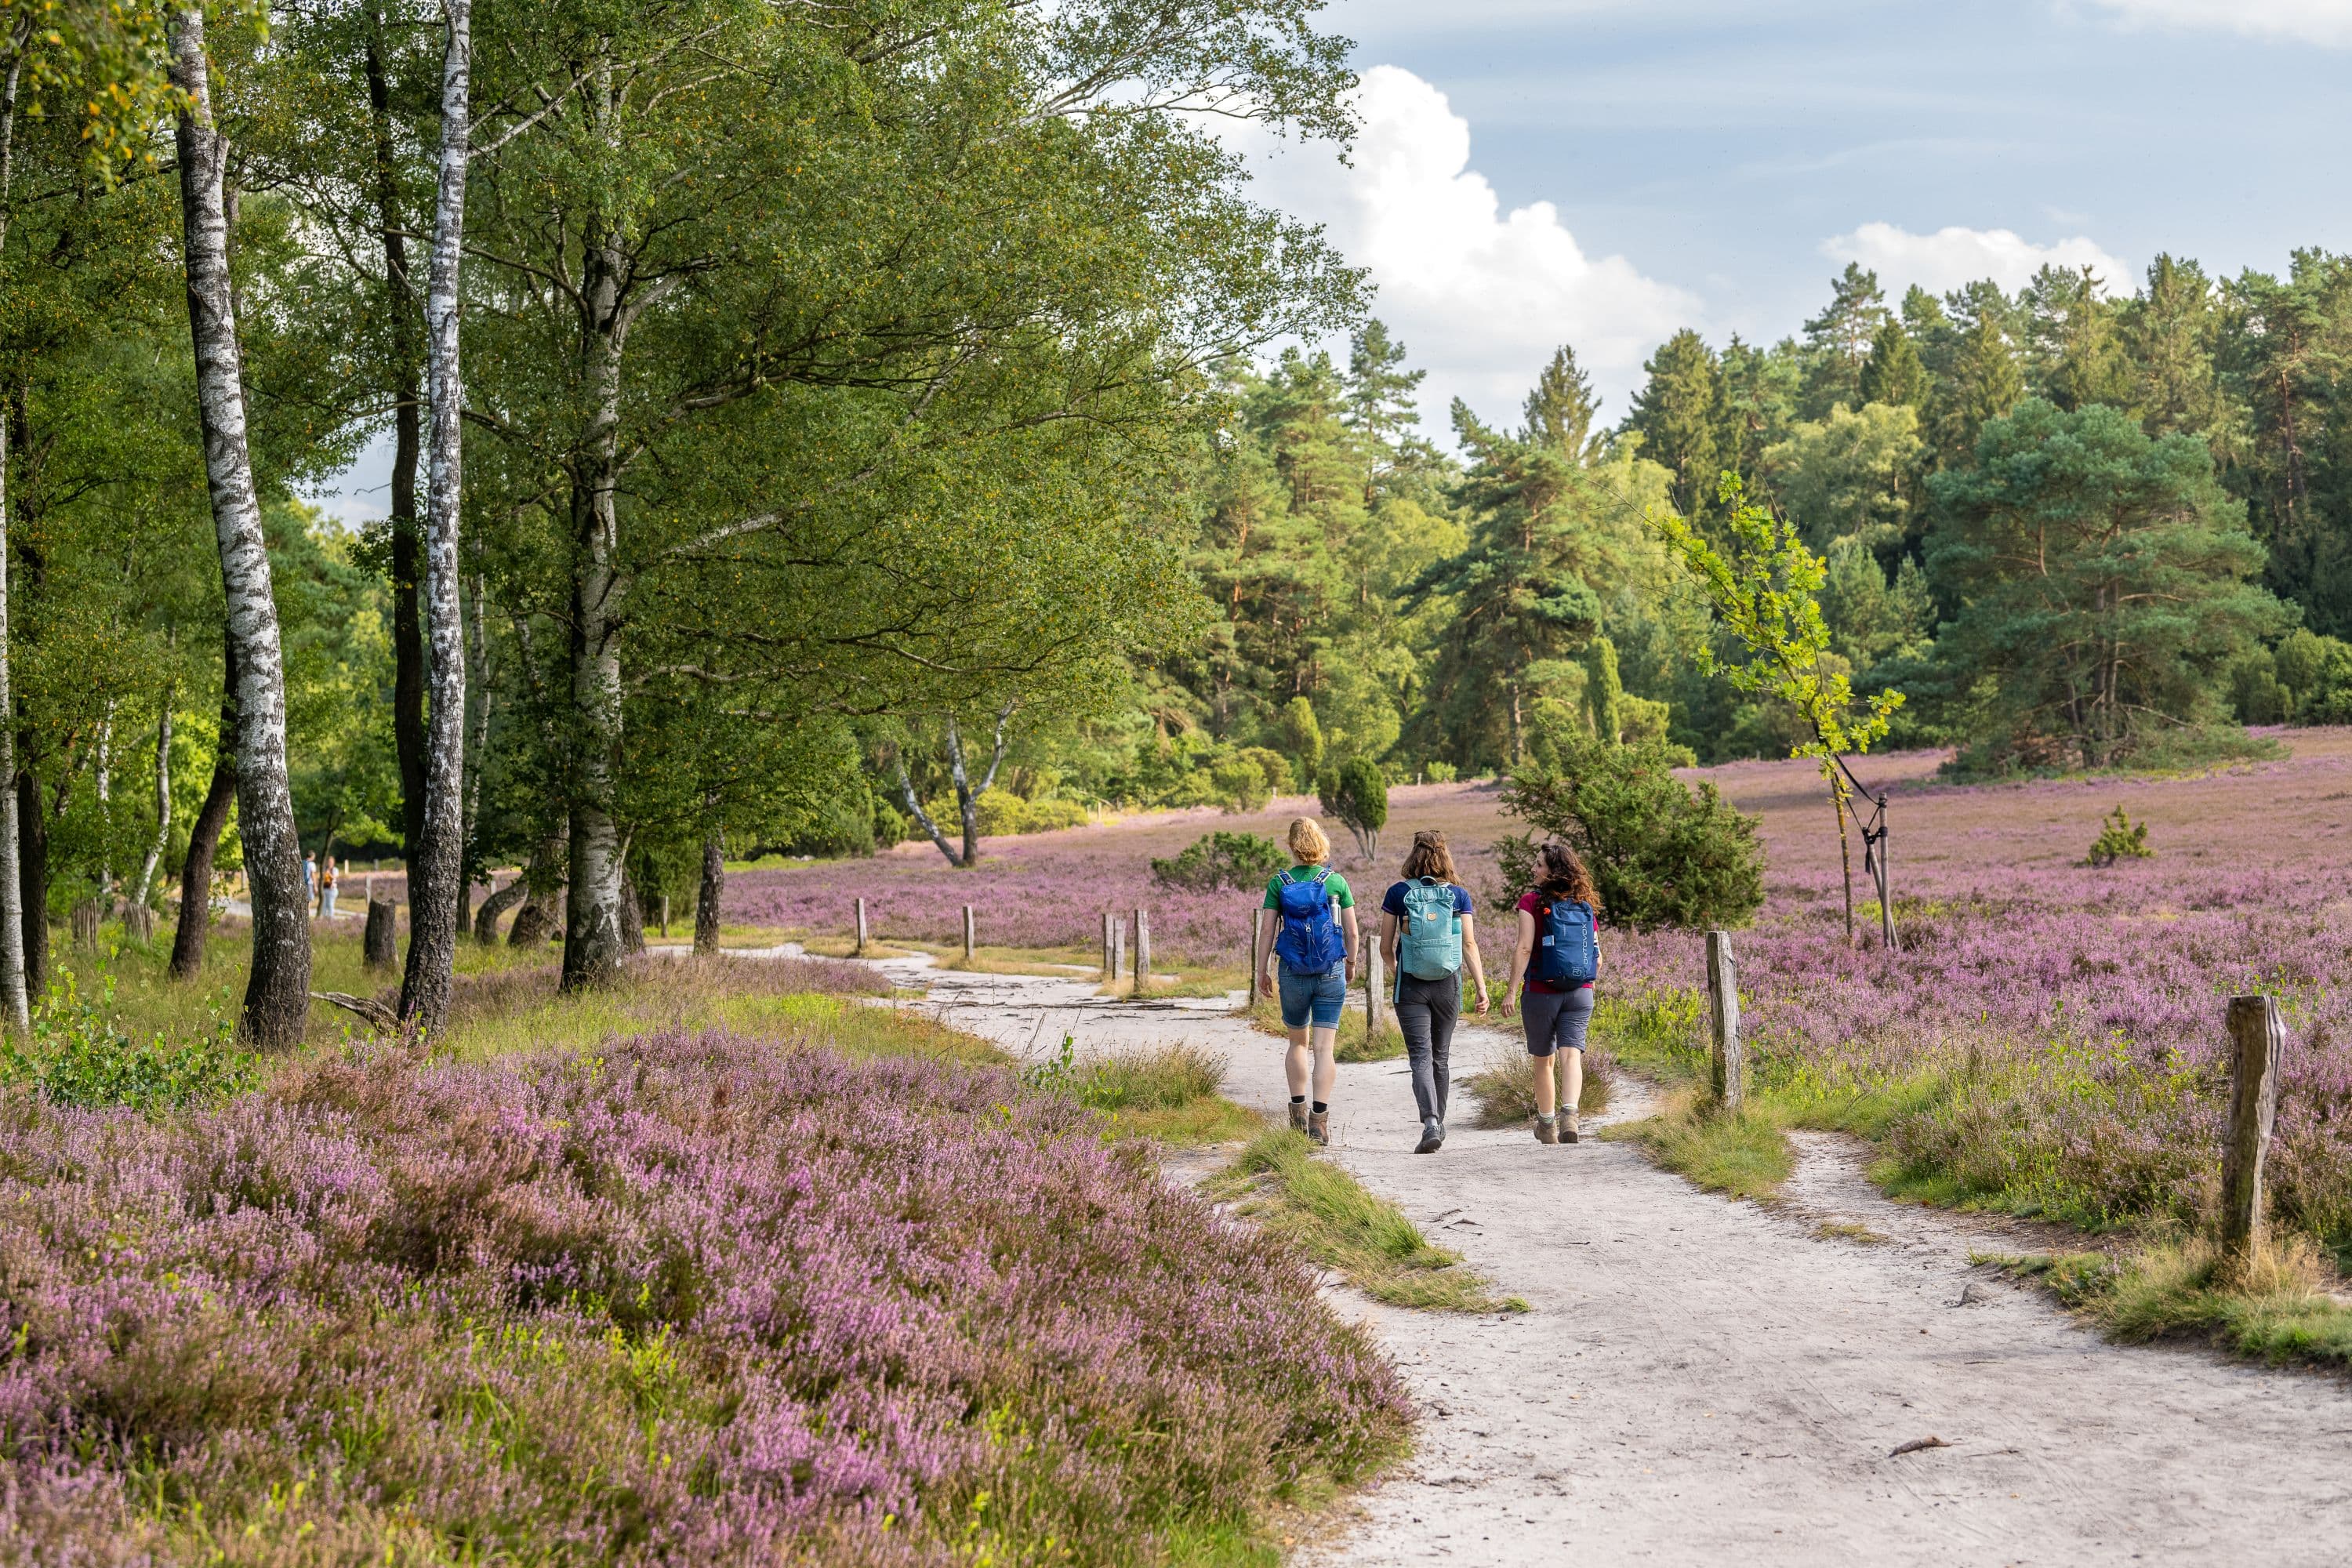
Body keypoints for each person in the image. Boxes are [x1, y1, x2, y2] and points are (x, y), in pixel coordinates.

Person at [1379, 829, 1486, 1154]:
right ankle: (1439, 1122)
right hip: (1448, 985)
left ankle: (1430, 1123)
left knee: (1420, 1057)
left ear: (1414, 855)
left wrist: (1403, 972)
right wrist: (1481, 988)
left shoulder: (1398, 893)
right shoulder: (1459, 896)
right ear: (1446, 856)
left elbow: (1385, 948)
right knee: (1441, 1056)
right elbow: (1468, 944)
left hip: (1410, 986)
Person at [1256, 817, 1358, 1145]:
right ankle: (1320, 1122)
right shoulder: (1337, 881)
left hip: (1293, 972)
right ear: (1321, 844)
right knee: (1324, 1048)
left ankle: (1297, 1114)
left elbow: (1268, 931)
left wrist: (1262, 971)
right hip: (1330, 971)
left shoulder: (1279, 882)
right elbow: (1353, 932)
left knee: (1297, 1042)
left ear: (1291, 845)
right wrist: (1351, 963)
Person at [1504, 842, 1602, 1145]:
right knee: (1572, 1056)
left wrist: (1509, 992)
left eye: (1538, 864)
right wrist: (1588, 985)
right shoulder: (1583, 903)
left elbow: (1523, 948)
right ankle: (1570, 1116)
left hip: (1540, 991)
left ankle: (1547, 1125)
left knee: (1544, 1059)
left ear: (1551, 871)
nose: (1533, 869)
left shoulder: (1530, 901)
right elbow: (1597, 957)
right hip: (1581, 991)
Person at [318, 854, 339, 920]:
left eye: (331, 862)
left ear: (333, 862)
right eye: (329, 861)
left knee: (330, 904)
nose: (330, 863)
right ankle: (324, 918)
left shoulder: (335, 869)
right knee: (324, 905)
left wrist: (329, 873)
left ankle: (331, 918)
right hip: (324, 889)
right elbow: (321, 878)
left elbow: (334, 877)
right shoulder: (324, 869)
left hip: (332, 890)